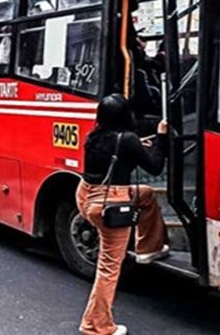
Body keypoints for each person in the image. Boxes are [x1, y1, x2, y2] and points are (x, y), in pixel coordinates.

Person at [76, 93, 169, 335]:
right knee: (108, 267)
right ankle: (95, 325)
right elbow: (155, 166)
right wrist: (161, 137)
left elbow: (118, 153)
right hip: (111, 203)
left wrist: (140, 144)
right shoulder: (127, 139)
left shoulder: (93, 136)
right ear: (126, 115)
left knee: (146, 194)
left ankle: (149, 247)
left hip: (86, 196)